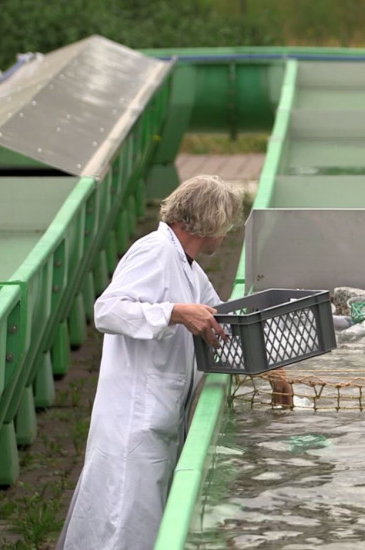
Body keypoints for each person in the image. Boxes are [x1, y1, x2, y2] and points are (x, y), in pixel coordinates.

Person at [57, 174, 241, 550]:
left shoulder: (187, 264)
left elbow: (221, 318)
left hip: (158, 414)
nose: (226, 236)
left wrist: (270, 364)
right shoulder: (154, 252)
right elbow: (107, 311)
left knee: (138, 518)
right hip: (134, 417)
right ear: (210, 223)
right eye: (227, 226)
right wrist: (173, 313)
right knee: (123, 518)